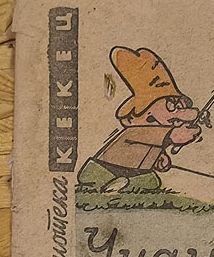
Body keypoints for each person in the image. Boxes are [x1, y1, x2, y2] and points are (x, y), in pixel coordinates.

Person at [77, 47, 206, 192]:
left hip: (136, 172)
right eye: (171, 105)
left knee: (151, 182)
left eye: (179, 105)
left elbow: (154, 145)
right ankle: (112, 187)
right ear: (143, 115)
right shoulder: (136, 132)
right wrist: (180, 133)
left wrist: (158, 158)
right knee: (98, 179)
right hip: (104, 170)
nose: (178, 112)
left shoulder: (156, 134)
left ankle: (122, 185)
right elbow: (170, 136)